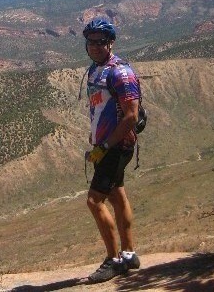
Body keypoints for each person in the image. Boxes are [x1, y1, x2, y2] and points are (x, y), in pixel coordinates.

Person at [82, 18, 141, 283]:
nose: (94, 46)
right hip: (104, 146)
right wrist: (96, 140)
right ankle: (129, 254)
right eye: (90, 41)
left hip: (115, 146)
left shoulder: (120, 72)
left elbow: (131, 116)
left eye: (100, 41)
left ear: (111, 42)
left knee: (94, 201)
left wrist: (105, 146)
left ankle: (113, 260)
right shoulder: (95, 70)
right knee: (117, 195)